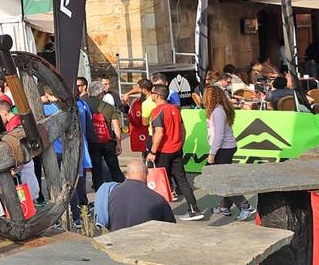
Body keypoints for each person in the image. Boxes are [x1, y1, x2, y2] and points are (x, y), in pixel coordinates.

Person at [145, 85, 203, 220]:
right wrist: (179, 144)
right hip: (176, 150)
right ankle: (194, 209)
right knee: (182, 180)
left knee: (159, 181)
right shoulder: (175, 109)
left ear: (157, 96)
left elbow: (159, 132)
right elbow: (183, 130)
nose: (150, 95)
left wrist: (152, 151)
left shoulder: (157, 111)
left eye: (152, 93)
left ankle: (158, 213)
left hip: (163, 151)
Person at [204, 86, 255, 219]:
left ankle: (245, 206)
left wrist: (212, 153)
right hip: (225, 148)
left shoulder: (218, 111)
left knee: (224, 180)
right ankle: (224, 206)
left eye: (206, 95)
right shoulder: (219, 110)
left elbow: (219, 135)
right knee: (223, 177)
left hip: (223, 149)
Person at [106, 160, 176, 231]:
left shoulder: (113, 193)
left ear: (126, 175)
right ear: (147, 175)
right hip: (146, 240)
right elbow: (171, 228)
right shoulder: (158, 199)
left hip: (117, 239)